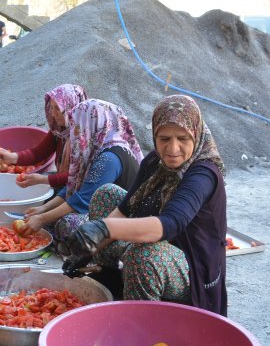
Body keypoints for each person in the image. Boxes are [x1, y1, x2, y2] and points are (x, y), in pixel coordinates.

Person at [62, 95, 228, 316]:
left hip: (191, 263)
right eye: (164, 138)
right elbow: (125, 209)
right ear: (155, 135)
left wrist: (103, 228)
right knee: (106, 194)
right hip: (153, 241)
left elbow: (169, 224)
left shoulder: (202, 174)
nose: (173, 148)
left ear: (196, 136)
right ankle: (111, 275)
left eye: (183, 139)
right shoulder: (154, 162)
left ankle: (142, 322)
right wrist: (91, 249)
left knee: (144, 256)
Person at [20, 99, 143, 254]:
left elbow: (81, 201)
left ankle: (80, 253)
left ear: (95, 124)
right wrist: (42, 209)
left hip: (122, 226)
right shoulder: (100, 149)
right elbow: (75, 186)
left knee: (69, 224)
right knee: (50, 219)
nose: (75, 133)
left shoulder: (109, 159)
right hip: (104, 215)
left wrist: (41, 218)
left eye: (78, 126)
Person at [0, 84, 88, 193]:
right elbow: (38, 153)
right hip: (62, 183)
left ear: (72, 107)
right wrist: (11, 157)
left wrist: (44, 180)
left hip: (80, 190)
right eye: (52, 107)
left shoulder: (86, 137)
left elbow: (79, 174)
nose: (53, 114)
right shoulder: (60, 131)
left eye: (58, 108)